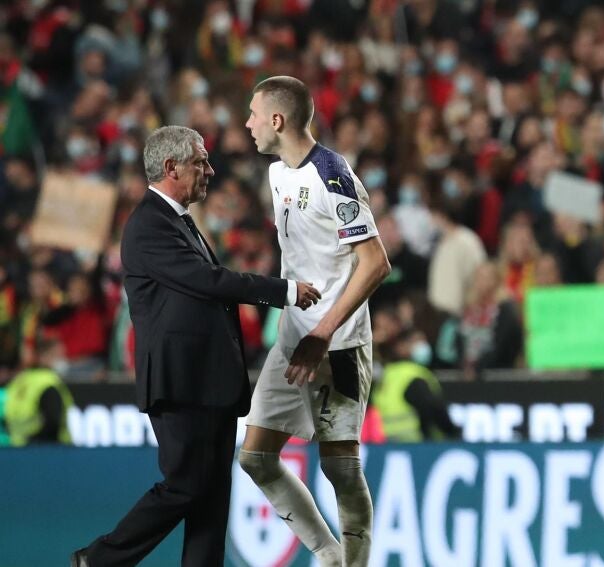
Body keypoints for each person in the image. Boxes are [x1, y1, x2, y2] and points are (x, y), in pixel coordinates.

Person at [74, 125, 321, 567]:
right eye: (200, 162)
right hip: (181, 383)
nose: (210, 170)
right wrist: (284, 290)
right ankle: (99, 560)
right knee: (185, 485)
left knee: (211, 501)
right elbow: (208, 281)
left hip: (209, 383)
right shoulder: (149, 225)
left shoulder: (177, 221)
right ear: (171, 168)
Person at [240, 75, 391, 567]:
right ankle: (329, 554)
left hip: (338, 344)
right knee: (255, 457)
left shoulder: (333, 176)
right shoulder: (276, 174)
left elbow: (375, 263)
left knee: (340, 469)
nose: (248, 124)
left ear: (277, 120)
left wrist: (323, 334)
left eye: (254, 114)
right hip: (293, 339)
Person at [373, 326, 461, 442]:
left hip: (387, 443)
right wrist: (452, 432)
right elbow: (433, 408)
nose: (423, 346)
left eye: (424, 341)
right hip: (416, 444)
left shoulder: (386, 374)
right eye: (417, 341)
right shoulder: (413, 374)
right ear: (401, 346)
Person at [3, 337, 74, 446]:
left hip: (15, 446)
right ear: (43, 357)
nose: (63, 359)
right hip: (47, 449)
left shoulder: (19, 380)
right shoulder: (48, 382)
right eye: (58, 355)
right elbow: (53, 422)